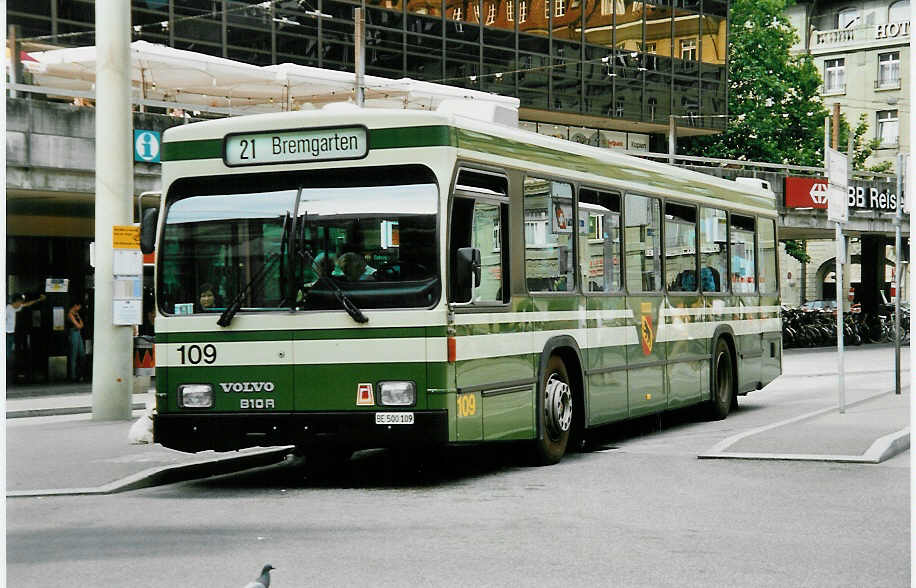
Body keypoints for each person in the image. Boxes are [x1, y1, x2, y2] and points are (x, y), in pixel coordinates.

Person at [6, 293, 46, 383]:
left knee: (9, 353)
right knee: (7, 353)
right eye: (20, 302)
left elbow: (28, 304)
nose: (21, 304)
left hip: (12, 334)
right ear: (16, 301)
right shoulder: (7, 308)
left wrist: (39, 299)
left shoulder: (16, 307)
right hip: (6, 334)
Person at [67, 301, 86, 382]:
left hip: (78, 333)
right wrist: (79, 325)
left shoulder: (76, 314)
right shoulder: (70, 314)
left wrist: (78, 318)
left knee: (82, 353)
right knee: (73, 354)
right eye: (78, 307)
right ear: (75, 305)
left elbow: (82, 325)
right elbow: (78, 325)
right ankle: (73, 375)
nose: (79, 309)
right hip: (73, 333)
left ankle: (80, 374)